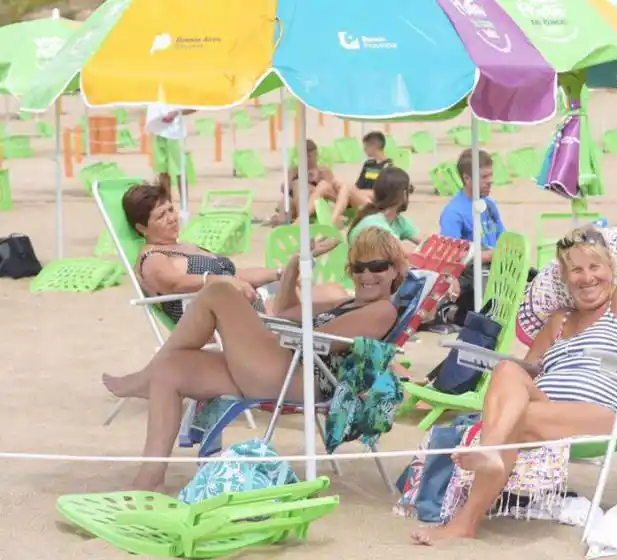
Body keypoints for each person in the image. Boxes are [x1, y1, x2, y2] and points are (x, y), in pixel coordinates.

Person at [411, 162, 617, 545]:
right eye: (575, 270)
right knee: (508, 369)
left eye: (595, 267)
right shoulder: (557, 319)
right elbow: (529, 372)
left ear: (610, 269)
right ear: (564, 277)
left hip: (602, 412)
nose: (586, 277)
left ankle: (465, 520)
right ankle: (490, 454)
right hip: (549, 405)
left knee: (520, 419)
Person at [103, 226, 407, 492]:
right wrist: (294, 265)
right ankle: (150, 478)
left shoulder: (383, 310)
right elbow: (286, 311)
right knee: (171, 370)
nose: (367, 275)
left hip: (300, 376)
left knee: (220, 291)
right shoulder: (346, 302)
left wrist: (259, 330)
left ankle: (143, 377)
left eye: (377, 266)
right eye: (359, 267)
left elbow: (316, 340)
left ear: (395, 270)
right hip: (280, 365)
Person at [123, 182, 348, 323]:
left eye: (171, 209)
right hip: (240, 324)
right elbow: (172, 284)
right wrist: (218, 280)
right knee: (337, 302)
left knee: (336, 290)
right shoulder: (153, 259)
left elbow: (236, 274)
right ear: (141, 228)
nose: (172, 218)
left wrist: (281, 272)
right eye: (161, 216)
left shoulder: (180, 246)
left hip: (253, 304)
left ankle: (299, 261)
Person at [438, 149, 534, 327]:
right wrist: (488, 256)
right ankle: (452, 312)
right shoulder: (454, 212)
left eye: (490, 175)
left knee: (535, 276)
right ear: (467, 179)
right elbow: (451, 257)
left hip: (496, 264)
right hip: (471, 273)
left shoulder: (489, 205)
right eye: (483, 177)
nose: (490, 181)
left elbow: (502, 239)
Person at [348, 167, 420, 253]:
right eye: (410, 189)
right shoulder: (375, 224)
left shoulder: (397, 221)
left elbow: (425, 243)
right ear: (404, 194)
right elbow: (405, 254)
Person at [146, 104, 196, 191]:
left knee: (180, 170)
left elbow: (194, 107)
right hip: (157, 132)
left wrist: (176, 113)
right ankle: (166, 201)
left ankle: (183, 201)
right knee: (162, 170)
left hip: (175, 135)